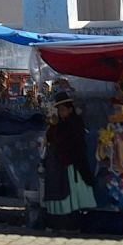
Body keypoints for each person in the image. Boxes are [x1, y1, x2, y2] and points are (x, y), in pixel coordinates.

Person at [42, 92, 96, 227]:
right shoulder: (60, 123)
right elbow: (51, 138)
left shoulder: (75, 123)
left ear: (70, 109)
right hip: (61, 164)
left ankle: (74, 222)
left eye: (63, 110)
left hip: (73, 164)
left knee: (72, 195)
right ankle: (63, 221)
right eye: (59, 110)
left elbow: (67, 141)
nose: (60, 113)